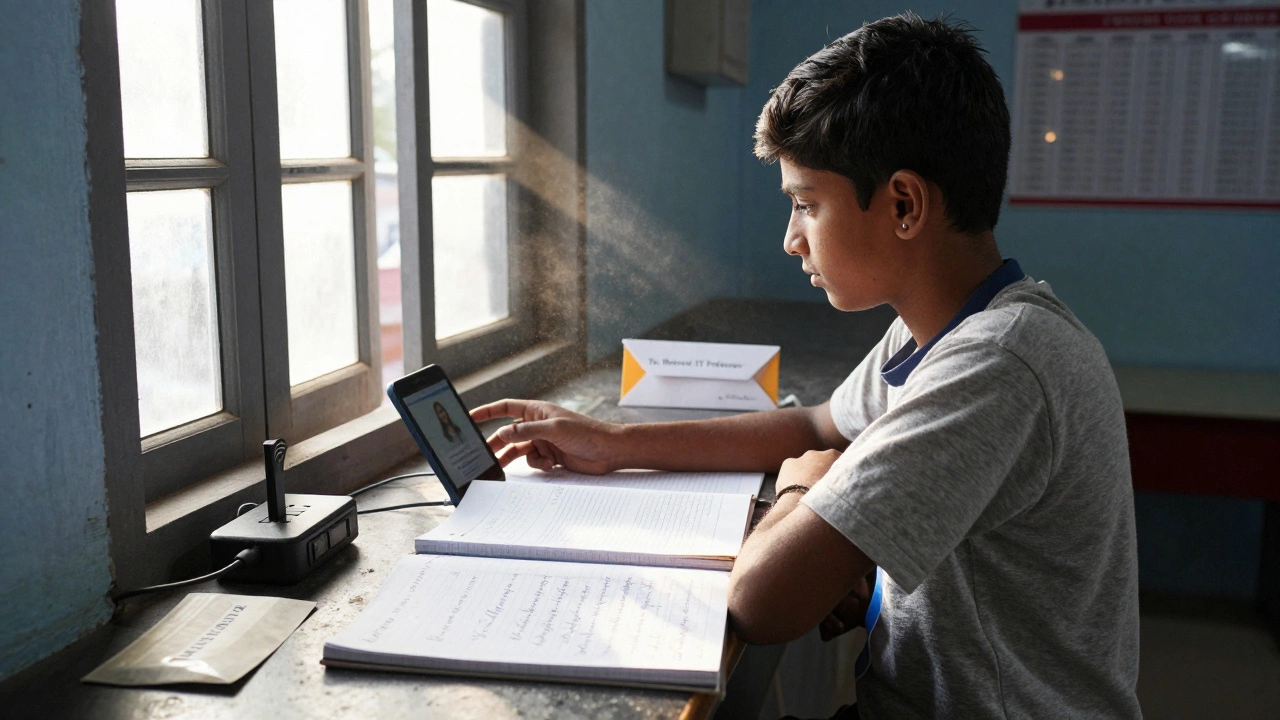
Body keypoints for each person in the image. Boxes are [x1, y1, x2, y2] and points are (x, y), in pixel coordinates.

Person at [472, 13, 1140, 719]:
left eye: (806, 205)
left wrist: (806, 489)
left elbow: (760, 604)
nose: (792, 240)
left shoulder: (994, 367)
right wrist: (614, 445)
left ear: (905, 205)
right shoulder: (948, 328)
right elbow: (816, 424)